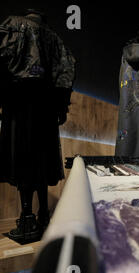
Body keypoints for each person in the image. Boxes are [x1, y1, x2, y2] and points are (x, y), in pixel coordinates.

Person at [0, 9, 76, 243]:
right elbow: (67, 71)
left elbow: (2, 58)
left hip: (19, 102)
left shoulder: (13, 23)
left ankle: (27, 219)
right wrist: (62, 107)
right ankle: (43, 216)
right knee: (41, 161)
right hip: (46, 106)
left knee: (21, 160)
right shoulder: (54, 37)